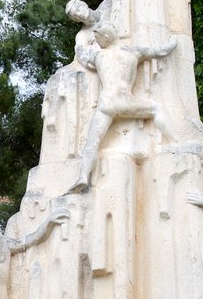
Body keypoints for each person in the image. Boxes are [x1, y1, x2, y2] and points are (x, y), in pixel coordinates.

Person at [68, 22, 177, 193]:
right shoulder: (132, 51)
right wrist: (175, 42)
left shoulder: (98, 56)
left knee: (92, 142)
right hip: (124, 101)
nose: (97, 43)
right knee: (156, 109)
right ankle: (175, 142)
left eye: (98, 39)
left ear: (105, 38)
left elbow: (81, 53)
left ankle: (83, 176)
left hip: (106, 104)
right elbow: (161, 51)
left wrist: (79, 42)